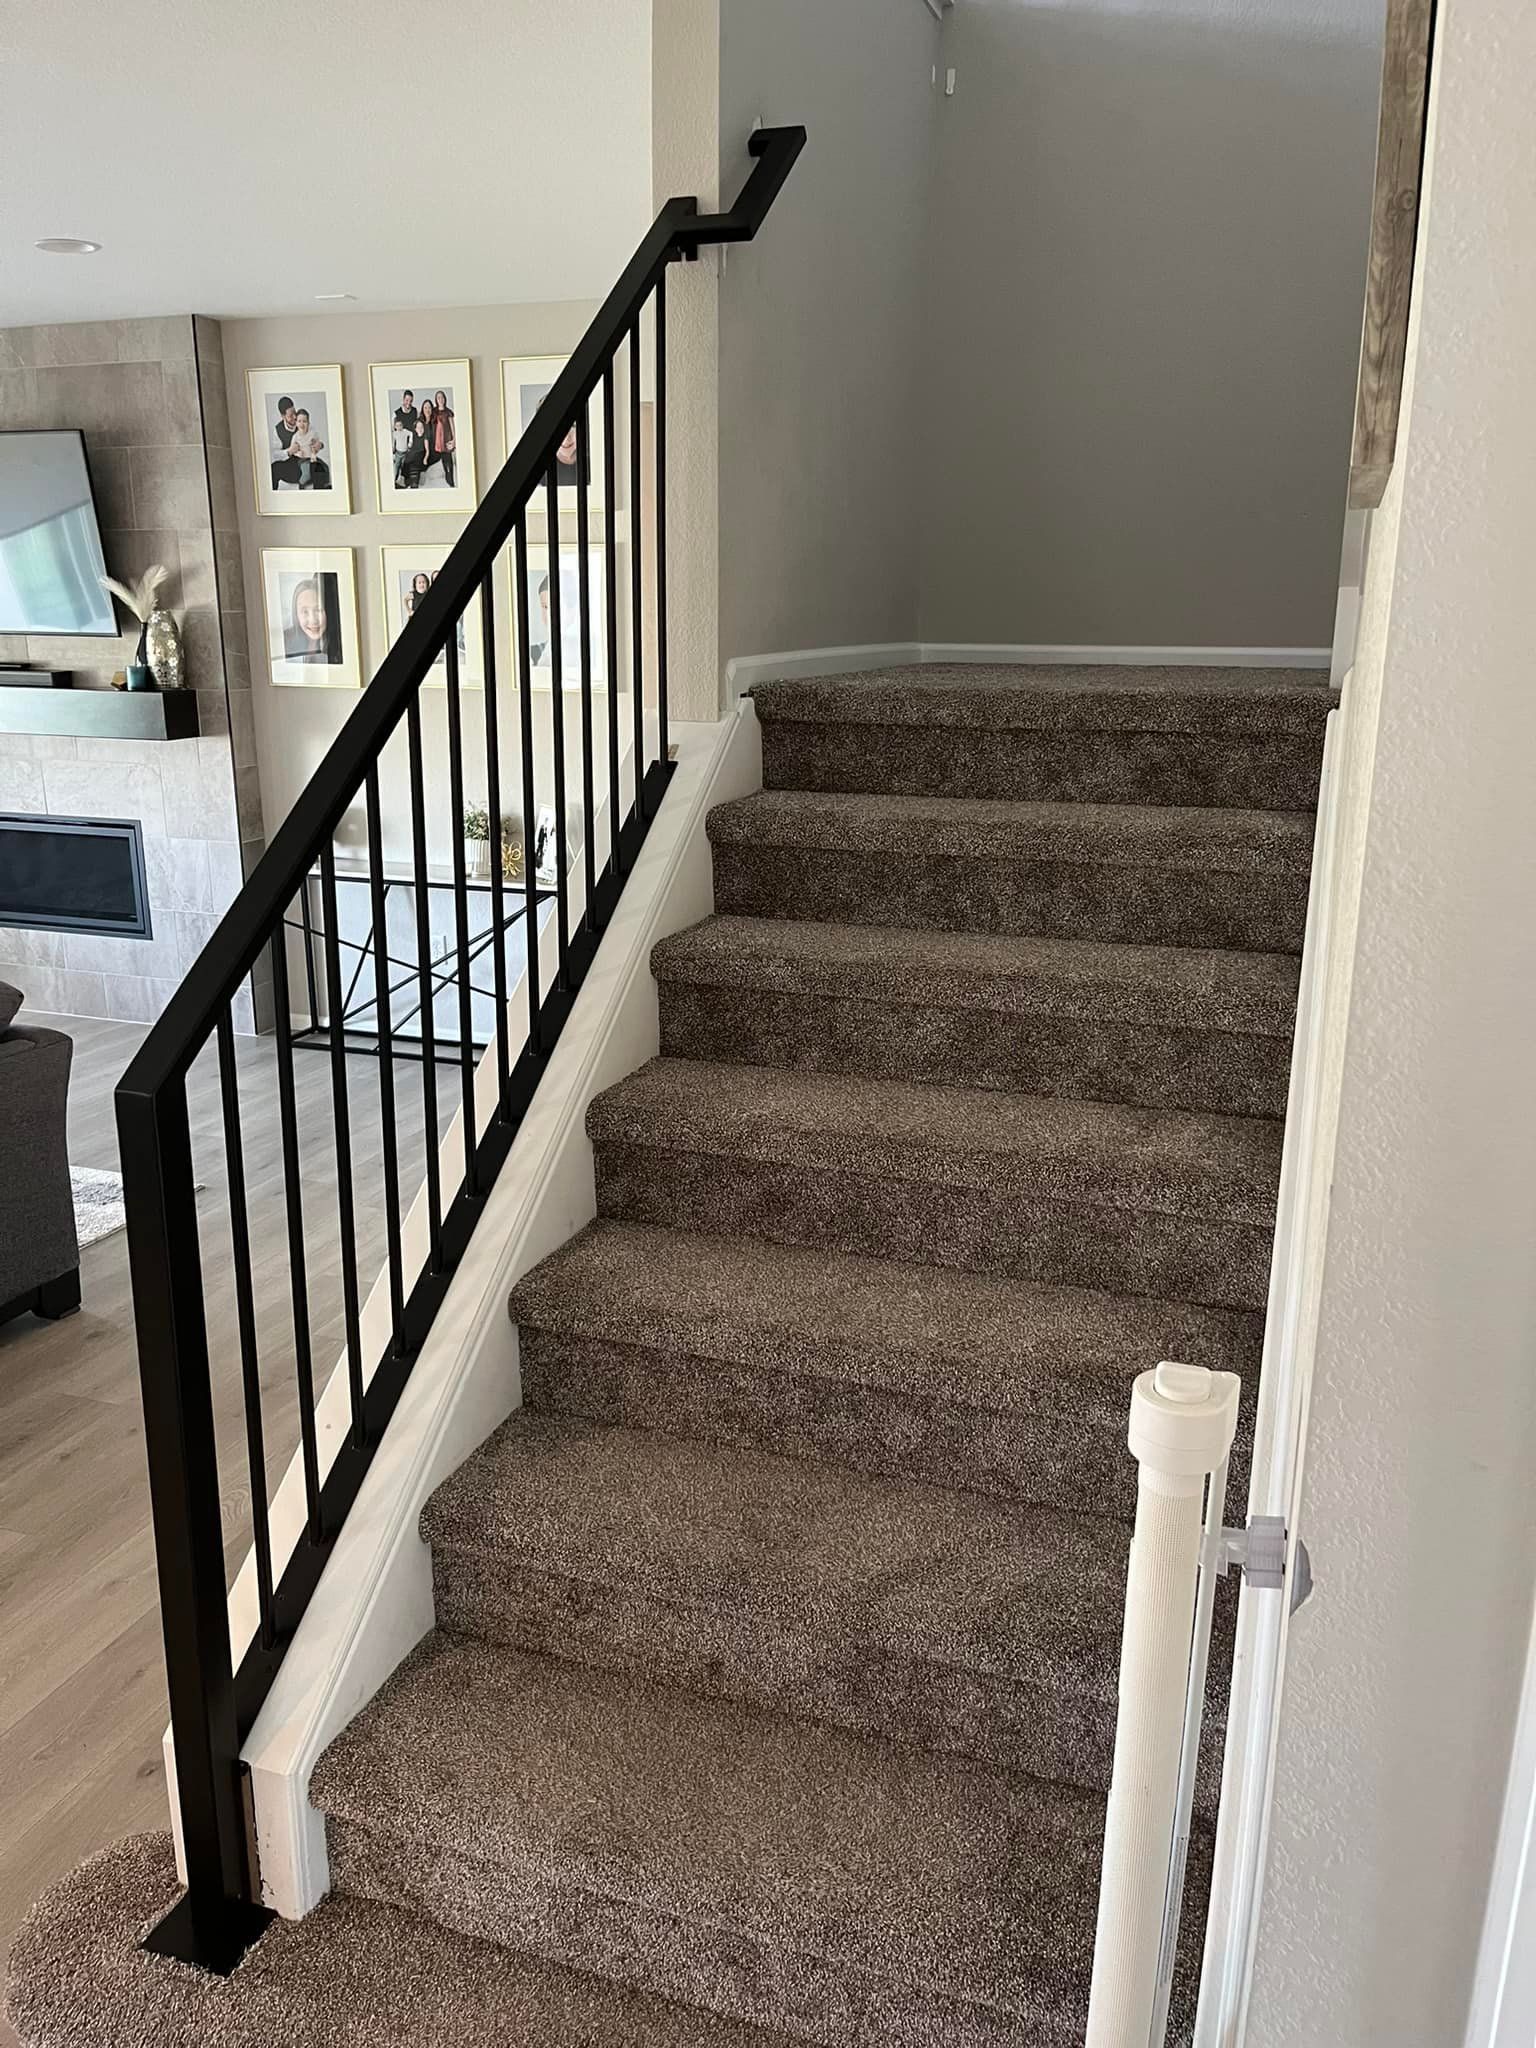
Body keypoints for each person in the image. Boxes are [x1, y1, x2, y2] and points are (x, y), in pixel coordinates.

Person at [283, 577, 337, 663]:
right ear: (296, 615)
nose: (313, 620)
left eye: (318, 610)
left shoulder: (338, 644)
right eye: (305, 612)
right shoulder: (283, 641)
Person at [286, 408, 330, 491]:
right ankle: (301, 484)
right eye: (299, 421)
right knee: (306, 472)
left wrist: (318, 445)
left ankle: (326, 483)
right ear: (296, 423)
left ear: (308, 423)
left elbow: (318, 442)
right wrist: (297, 453)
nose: (302, 424)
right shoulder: (295, 436)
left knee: (324, 467)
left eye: (304, 421)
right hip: (302, 459)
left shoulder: (312, 433)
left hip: (312, 457)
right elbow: (292, 449)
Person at [422, 389, 456, 489]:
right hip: (436, 443)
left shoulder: (448, 412)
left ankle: (451, 483)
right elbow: (427, 417)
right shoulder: (434, 411)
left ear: (444, 399)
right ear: (436, 400)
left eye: (442, 397)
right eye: (438, 397)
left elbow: (452, 427)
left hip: (446, 442)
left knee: (448, 465)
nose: (440, 399)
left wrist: (454, 440)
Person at [270, 397, 302, 490]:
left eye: (295, 413)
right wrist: (289, 451)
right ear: (283, 416)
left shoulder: (302, 421)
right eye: (291, 415)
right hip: (291, 468)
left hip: (304, 463)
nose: (295, 417)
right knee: (273, 469)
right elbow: (275, 455)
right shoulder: (278, 430)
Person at [392, 390, 423, 488]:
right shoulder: (396, 413)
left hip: (412, 444)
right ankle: (400, 481)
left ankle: (410, 482)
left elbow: (418, 427)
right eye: (406, 400)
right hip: (400, 446)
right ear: (403, 399)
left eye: (411, 401)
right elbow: (393, 432)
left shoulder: (415, 411)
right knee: (400, 463)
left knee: (413, 458)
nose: (408, 403)